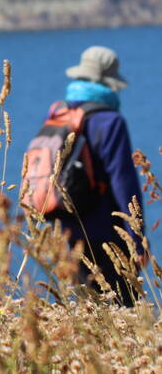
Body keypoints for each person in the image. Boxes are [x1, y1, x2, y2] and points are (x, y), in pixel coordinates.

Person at [55, 45, 145, 305]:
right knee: (123, 312)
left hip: (64, 233)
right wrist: (136, 241)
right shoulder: (109, 120)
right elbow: (123, 182)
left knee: (84, 312)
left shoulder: (60, 113)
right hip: (104, 236)